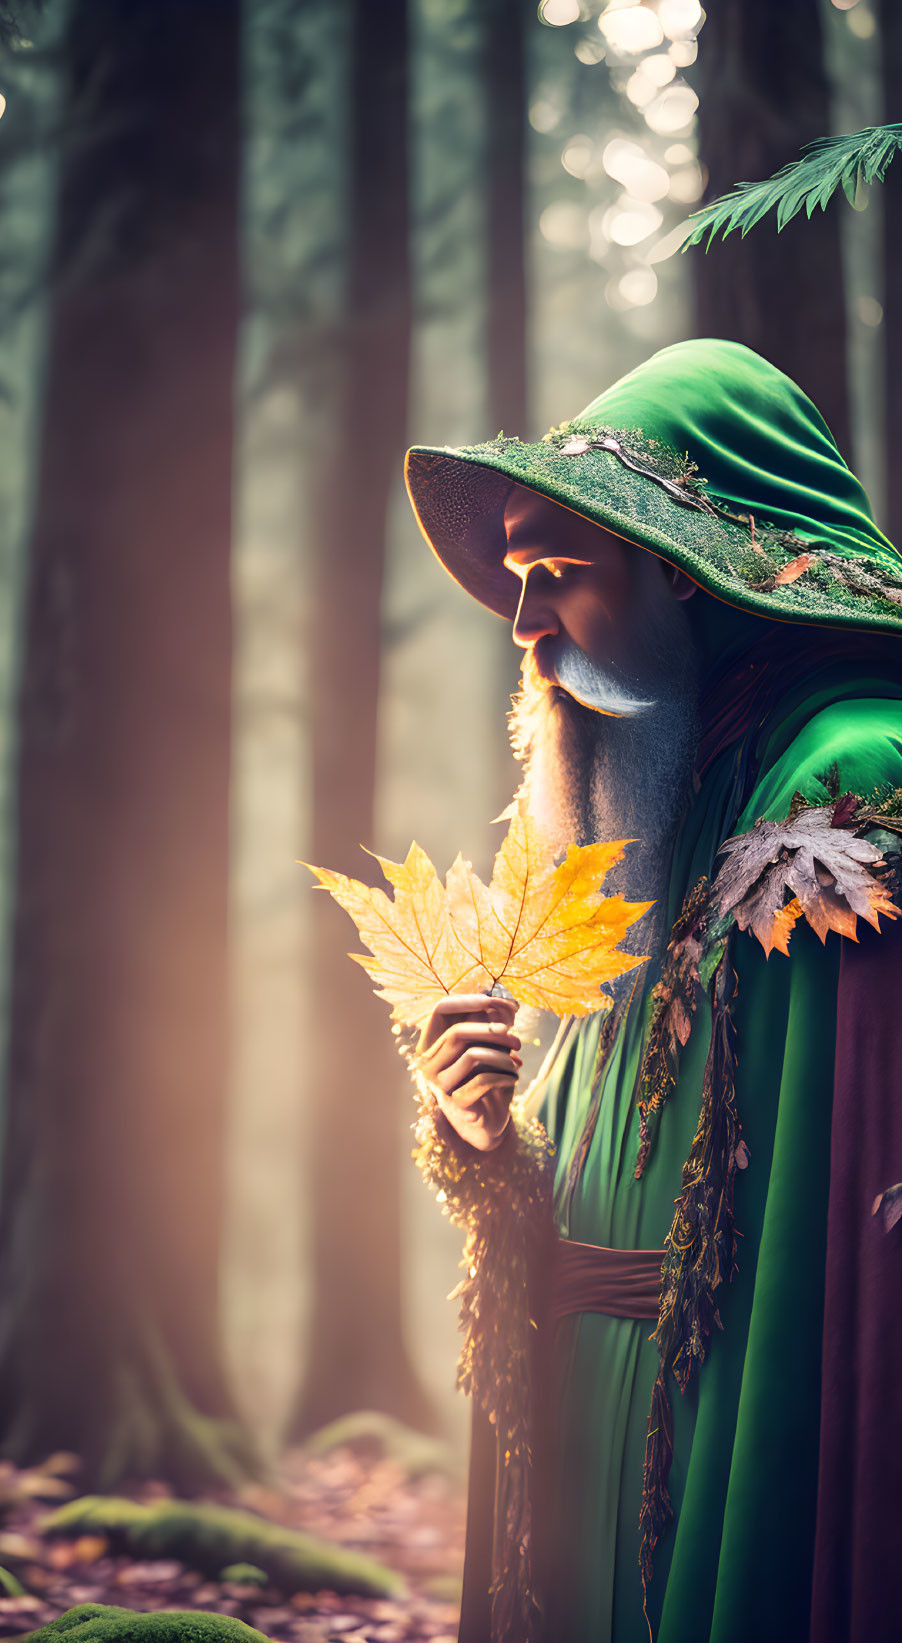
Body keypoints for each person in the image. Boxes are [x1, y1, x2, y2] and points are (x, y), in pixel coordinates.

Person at [399, 339, 902, 1643]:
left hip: (737, 1421)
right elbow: (564, 1129)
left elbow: (840, 1221)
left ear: (680, 572)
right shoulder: (598, 797)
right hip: (570, 1419)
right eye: (515, 581)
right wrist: (476, 1128)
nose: (522, 625)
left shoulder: (844, 774)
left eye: (555, 573)